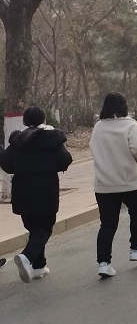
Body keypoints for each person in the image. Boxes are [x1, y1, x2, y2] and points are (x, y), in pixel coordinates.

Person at [0, 106, 72, 283]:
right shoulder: (52, 139)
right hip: (46, 189)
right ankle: (27, 257)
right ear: (44, 119)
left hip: (22, 190)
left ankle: (39, 266)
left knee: (34, 228)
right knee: (45, 227)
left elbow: (6, 163)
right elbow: (65, 160)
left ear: (25, 121)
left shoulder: (18, 140)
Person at [90, 92, 137, 279]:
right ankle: (136, 249)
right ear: (124, 105)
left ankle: (103, 263)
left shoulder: (98, 127)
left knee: (107, 224)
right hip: (129, 181)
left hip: (104, 184)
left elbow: (93, 148)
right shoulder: (130, 125)